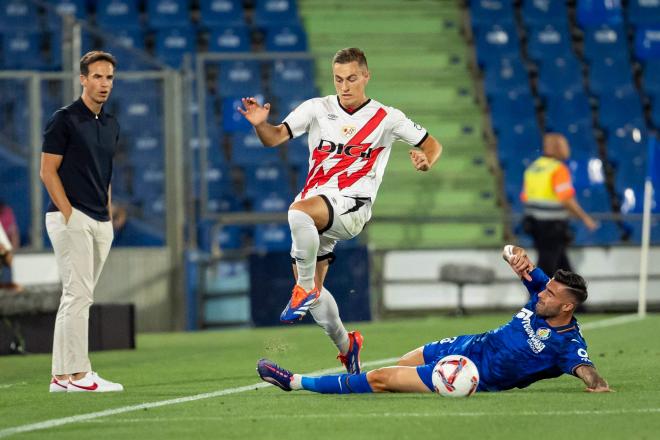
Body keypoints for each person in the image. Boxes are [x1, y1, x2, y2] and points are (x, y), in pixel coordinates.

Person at [238, 48, 443, 374]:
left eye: (351, 79)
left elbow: (431, 144)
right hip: (321, 206)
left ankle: (302, 288)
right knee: (317, 295)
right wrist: (260, 125)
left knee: (297, 213)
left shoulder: (387, 118)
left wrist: (426, 159)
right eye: (338, 79)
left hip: (352, 207)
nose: (344, 86)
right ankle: (348, 347)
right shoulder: (317, 108)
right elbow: (275, 137)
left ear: (365, 76)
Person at [257, 244, 611, 395]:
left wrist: (597, 385)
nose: (542, 294)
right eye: (545, 288)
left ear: (567, 308)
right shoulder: (542, 296)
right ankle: (364, 378)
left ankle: (296, 382)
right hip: (469, 344)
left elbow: (589, 372)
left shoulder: (567, 344)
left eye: (551, 295)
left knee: (381, 379)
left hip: (469, 373)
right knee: (401, 366)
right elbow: (511, 252)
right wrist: (513, 254)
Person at [40, 51, 122, 393]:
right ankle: (78, 374)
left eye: (109, 78)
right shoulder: (64, 119)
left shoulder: (111, 124)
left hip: (100, 219)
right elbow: (47, 171)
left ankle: (61, 377)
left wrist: (108, 214)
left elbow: (104, 174)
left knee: (75, 296)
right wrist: (70, 215)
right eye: (98, 77)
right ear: (83, 79)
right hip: (70, 216)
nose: (104, 84)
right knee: (78, 296)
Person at [521, 133, 598, 274]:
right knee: (547, 265)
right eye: (565, 145)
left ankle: (573, 294)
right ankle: (538, 295)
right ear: (557, 148)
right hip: (552, 226)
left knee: (562, 265)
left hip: (534, 224)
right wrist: (585, 218)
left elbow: (525, 197)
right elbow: (566, 199)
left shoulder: (533, 168)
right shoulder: (558, 169)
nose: (567, 149)